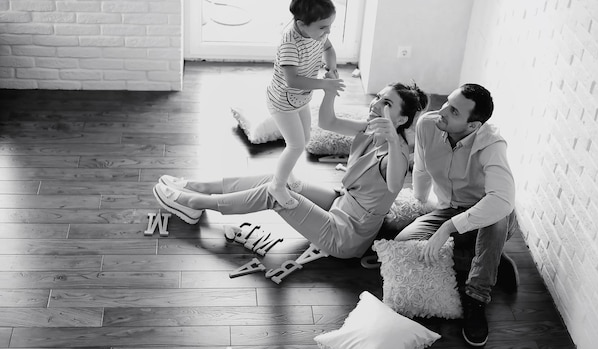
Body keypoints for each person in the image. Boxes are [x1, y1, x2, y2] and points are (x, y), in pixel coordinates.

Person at [152, 82, 428, 260]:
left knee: (276, 194)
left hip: (346, 235)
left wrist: (392, 139)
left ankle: (194, 203)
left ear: (401, 120)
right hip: (341, 203)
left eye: (386, 104)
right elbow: (328, 121)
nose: (376, 104)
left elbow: (393, 185)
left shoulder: (398, 152)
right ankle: (200, 187)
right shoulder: (370, 129)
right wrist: (329, 91)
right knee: (279, 179)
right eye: (378, 97)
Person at [394, 83, 520, 348]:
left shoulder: (492, 145)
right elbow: (422, 168)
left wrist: (447, 228)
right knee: (405, 246)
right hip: (449, 209)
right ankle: (491, 260)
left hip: (487, 215)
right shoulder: (428, 125)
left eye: (453, 111)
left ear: (473, 126)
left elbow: (501, 201)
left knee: (494, 222)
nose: (442, 111)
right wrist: (419, 201)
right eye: (447, 103)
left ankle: (477, 296)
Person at [265, 0, 345, 209]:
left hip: (301, 99)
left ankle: (288, 176)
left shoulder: (316, 34)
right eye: (323, 27)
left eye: (330, 26)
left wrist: (331, 68)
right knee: (296, 145)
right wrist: (324, 85)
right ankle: (277, 185)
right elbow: (293, 80)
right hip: (282, 101)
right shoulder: (290, 44)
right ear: (301, 23)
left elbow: (328, 48)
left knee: (305, 139)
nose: (327, 32)